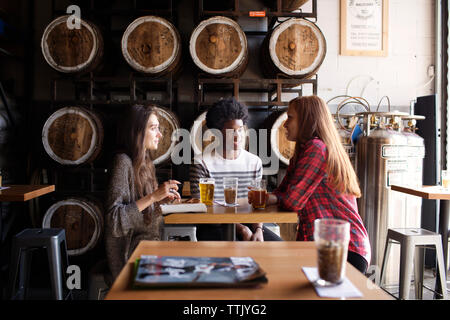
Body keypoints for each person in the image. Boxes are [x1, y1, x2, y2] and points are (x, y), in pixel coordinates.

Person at [249, 95, 371, 273]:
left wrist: (272, 198)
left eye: (290, 118)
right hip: (321, 245)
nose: (284, 124)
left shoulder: (317, 148)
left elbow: (292, 201)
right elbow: (281, 193)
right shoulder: (301, 153)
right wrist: (269, 197)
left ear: (307, 120)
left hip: (342, 249)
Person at [105, 104, 181, 280]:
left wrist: (161, 202)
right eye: (153, 128)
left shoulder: (146, 162)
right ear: (137, 132)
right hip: (130, 252)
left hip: (150, 243)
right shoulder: (122, 162)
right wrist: (153, 196)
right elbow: (114, 220)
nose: (160, 135)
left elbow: (142, 212)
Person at [190, 97, 282, 241]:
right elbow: (202, 208)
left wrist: (258, 229)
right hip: (213, 225)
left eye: (240, 130)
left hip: (248, 223)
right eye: (231, 131)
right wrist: (240, 228)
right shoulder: (201, 162)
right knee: (238, 250)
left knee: (278, 249)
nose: (237, 137)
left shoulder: (254, 162)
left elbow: (257, 205)